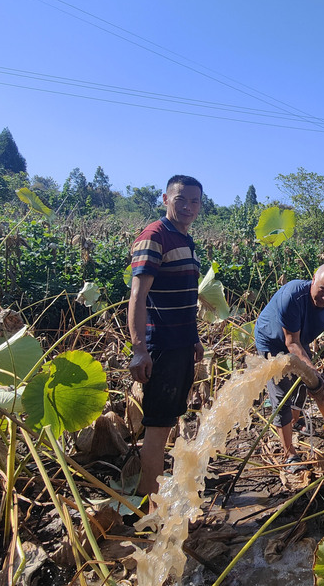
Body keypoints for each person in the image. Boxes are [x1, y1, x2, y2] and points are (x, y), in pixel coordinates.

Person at [127, 174, 205, 497]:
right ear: (165, 200)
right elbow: (137, 297)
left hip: (181, 347)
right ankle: (148, 512)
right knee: (157, 430)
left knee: (167, 423)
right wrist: (138, 350)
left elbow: (185, 297)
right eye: (180, 200)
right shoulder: (154, 236)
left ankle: (157, 505)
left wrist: (195, 338)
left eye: (194, 202)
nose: (188, 207)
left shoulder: (185, 240)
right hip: (161, 348)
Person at [255, 262, 324, 468]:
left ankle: (293, 421)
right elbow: (291, 343)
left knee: (303, 386)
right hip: (272, 339)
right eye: (322, 290)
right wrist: (316, 375)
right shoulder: (293, 296)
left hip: (299, 337)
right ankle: (289, 454)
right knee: (281, 394)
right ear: (313, 279)